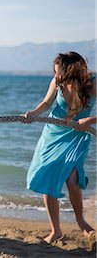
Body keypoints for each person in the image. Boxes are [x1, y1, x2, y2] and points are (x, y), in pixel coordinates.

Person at [24, 52, 96, 244]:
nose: (56, 74)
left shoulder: (91, 83)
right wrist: (33, 113)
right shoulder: (58, 81)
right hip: (53, 133)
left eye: (59, 71)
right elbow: (47, 103)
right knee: (47, 176)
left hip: (77, 136)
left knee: (73, 179)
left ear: (70, 70)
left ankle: (81, 222)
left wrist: (91, 119)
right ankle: (56, 231)